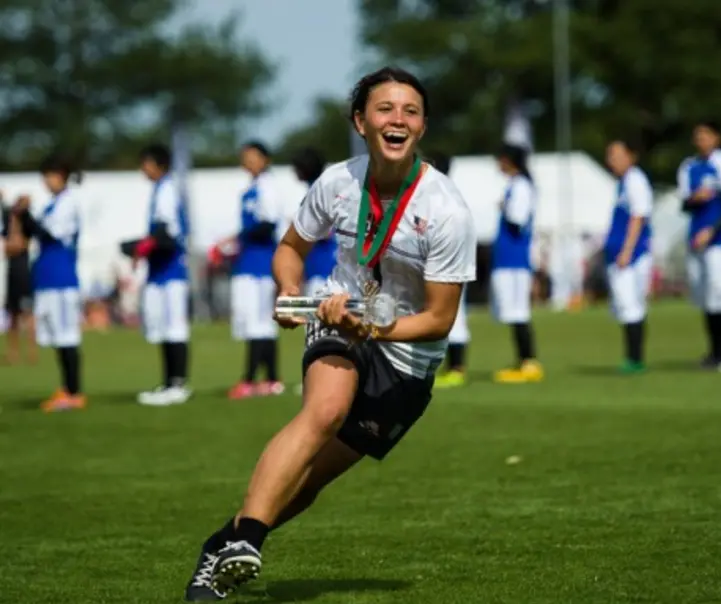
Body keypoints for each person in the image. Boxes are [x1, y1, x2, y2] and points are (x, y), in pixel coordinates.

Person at [182, 66, 476, 601]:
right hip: (339, 316)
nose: (398, 119)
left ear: (423, 127)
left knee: (310, 479)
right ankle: (248, 542)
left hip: (407, 359)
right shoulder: (338, 182)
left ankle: (223, 543)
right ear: (360, 121)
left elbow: (439, 319)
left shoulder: (446, 209)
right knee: (324, 411)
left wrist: (377, 327)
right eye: (385, 109)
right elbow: (290, 248)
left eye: (410, 111)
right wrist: (292, 293)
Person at [12, 155, 86, 411]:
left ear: (62, 176)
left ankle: (74, 392)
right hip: (47, 279)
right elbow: (33, 230)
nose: (46, 181)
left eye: (50, 175)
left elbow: (49, 233)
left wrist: (26, 214)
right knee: (56, 337)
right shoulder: (53, 204)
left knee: (67, 336)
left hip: (62, 280)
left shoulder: (68, 204)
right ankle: (66, 388)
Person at [215, 141, 285, 399]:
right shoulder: (251, 189)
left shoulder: (268, 187)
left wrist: (239, 239)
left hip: (261, 264)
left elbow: (267, 225)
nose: (248, 161)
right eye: (245, 156)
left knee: (258, 321)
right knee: (258, 322)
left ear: (265, 159)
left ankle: (249, 379)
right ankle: (271, 379)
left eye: (253, 156)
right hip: (248, 262)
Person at [124, 143, 193, 405]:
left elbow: (168, 234)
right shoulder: (158, 190)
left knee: (174, 328)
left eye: (147, 163)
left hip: (172, 270)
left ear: (159, 165)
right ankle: (168, 383)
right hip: (160, 270)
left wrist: (143, 246)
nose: (143, 168)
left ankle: (178, 384)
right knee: (163, 328)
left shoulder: (167, 190)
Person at [677, 120, 721, 373]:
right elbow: (684, 205)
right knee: (705, 296)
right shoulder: (689, 166)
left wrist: (712, 230)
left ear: (717, 138)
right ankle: (714, 352)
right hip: (696, 239)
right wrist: (695, 198)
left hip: (719, 240)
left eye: (706, 134)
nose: (701, 139)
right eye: (698, 135)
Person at [490, 143, 543, 384]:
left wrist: (503, 206)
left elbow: (517, 218)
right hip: (507, 258)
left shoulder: (521, 186)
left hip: (514, 260)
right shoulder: (515, 184)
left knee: (518, 310)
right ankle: (523, 360)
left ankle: (528, 361)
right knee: (512, 311)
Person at [603, 137, 654, 374]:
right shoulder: (623, 183)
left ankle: (635, 358)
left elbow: (638, 216)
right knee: (625, 306)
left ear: (631, 156)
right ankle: (633, 357)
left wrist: (627, 250)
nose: (611, 161)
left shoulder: (635, 180)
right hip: (620, 253)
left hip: (631, 256)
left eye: (616, 155)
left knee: (630, 305)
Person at [428, 152, 471, 388]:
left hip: (450, 261)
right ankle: (447, 367)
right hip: (441, 260)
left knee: (455, 315)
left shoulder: (443, 193)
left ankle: (457, 368)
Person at [290, 148, 337, 297]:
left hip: (324, 269)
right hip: (316, 267)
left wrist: (298, 230)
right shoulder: (316, 190)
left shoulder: (320, 191)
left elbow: (327, 231)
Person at [2, 193, 38, 365]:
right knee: (13, 315)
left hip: (23, 273)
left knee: (28, 314)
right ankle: (13, 352)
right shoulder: (9, 223)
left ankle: (32, 351)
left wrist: (11, 245)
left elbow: (15, 246)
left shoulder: (27, 225)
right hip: (12, 273)